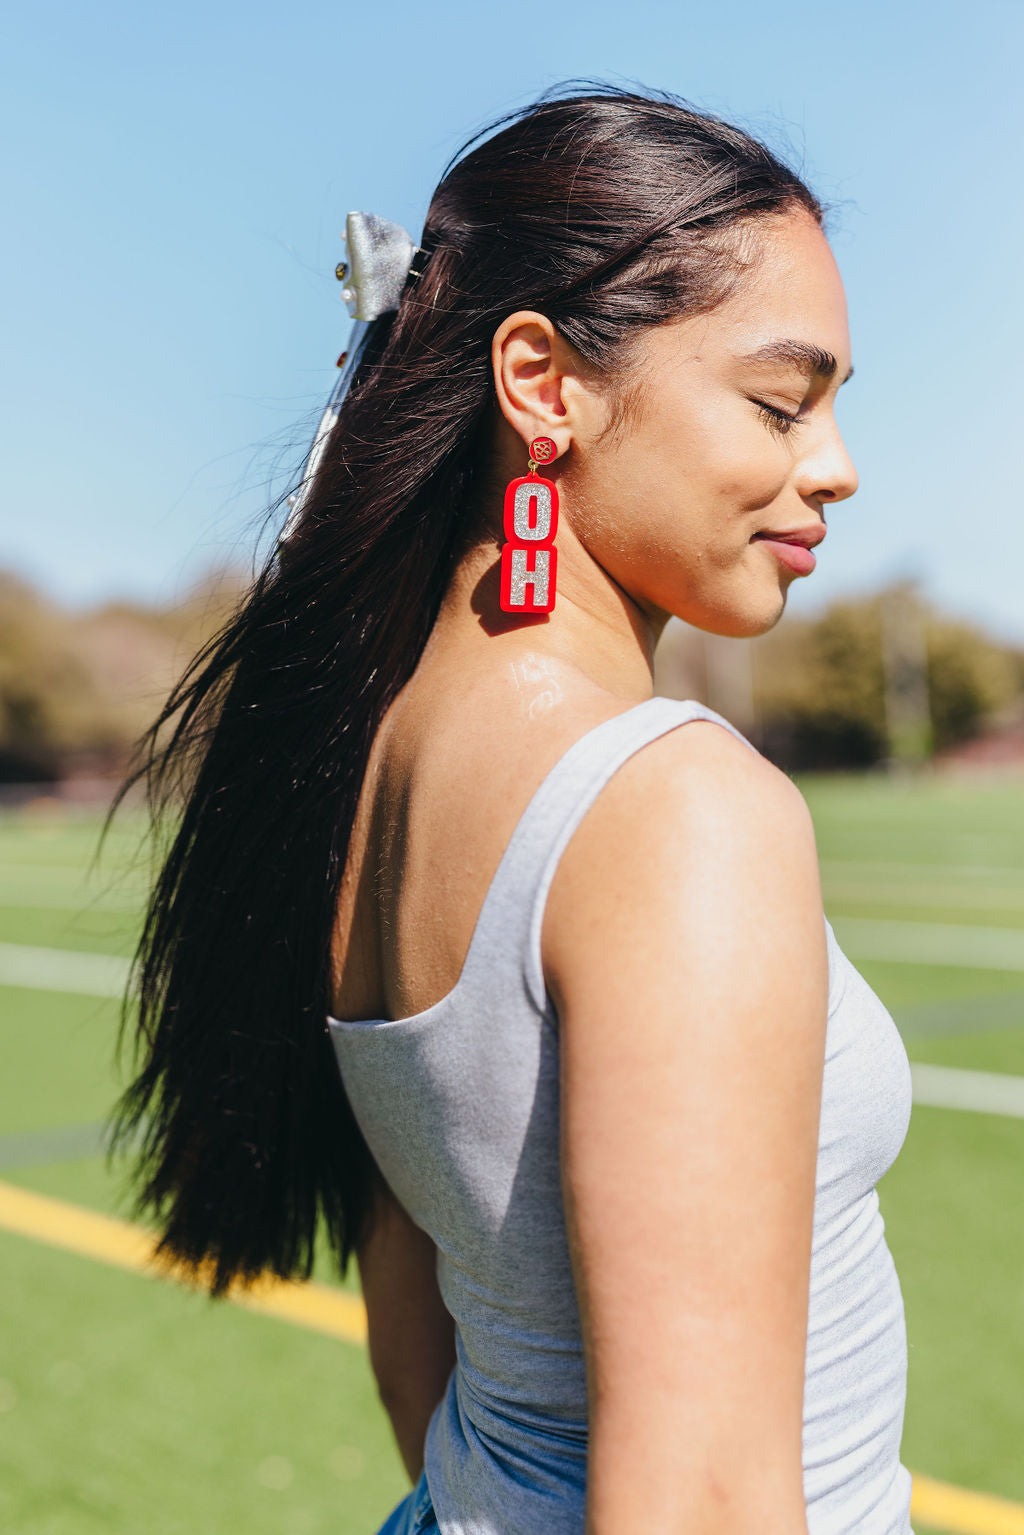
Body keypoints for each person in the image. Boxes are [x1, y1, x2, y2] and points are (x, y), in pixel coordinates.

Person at [105, 85, 915, 1535]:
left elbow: (412, 1311)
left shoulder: (355, 764)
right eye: (783, 402)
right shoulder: (677, 810)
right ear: (542, 380)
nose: (835, 464)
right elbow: (707, 1502)